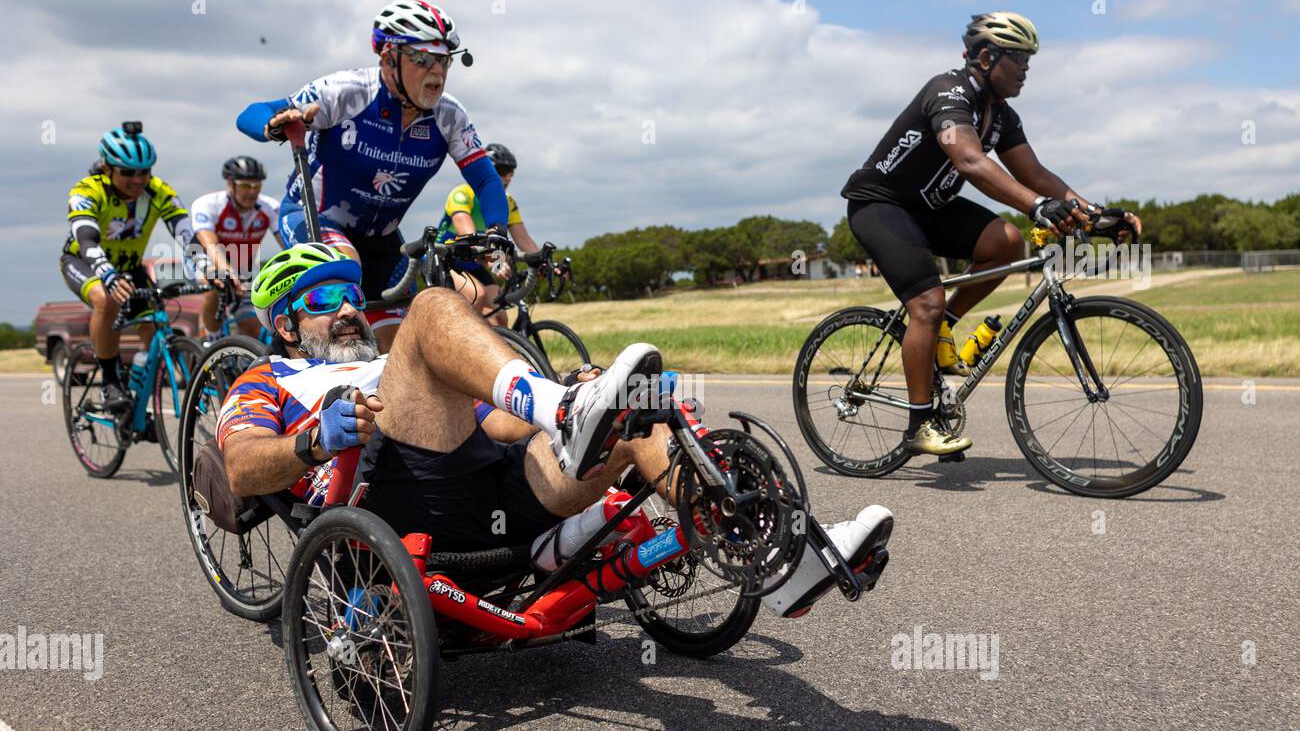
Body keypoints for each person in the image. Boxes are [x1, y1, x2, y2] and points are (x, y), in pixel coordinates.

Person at [218, 245, 891, 585]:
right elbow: (243, 468)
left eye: (352, 295)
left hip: (493, 495)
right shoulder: (266, 379)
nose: (347, 309)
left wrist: (562, 402)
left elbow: (489, 425)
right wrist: (310, 442)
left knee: (640, 417)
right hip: (390, 507)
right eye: (324, 297)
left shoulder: (389, 361)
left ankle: (782, 557)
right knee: (429, 309)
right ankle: (567, 410)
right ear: (283, 324)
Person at [840, 12, 1140, 455]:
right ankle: (919, 424)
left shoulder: (1001, 115)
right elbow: (969, 161)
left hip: (929, 209)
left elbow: (1034, 173)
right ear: (985, 56)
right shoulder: (948, 92)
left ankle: (943, 328)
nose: (1026, 68)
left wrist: (1093, 215)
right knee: (925, 302)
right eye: (1018, 58)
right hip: (880, 206)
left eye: (1028, 59)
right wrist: (1038, 207)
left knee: (1006, 240)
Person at [234, 0, 510, 353]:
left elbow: (486, 180)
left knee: (399, 345)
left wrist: (496, 232)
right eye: (423, 59)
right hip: (315, 218)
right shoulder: (347, 92)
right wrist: (274, 124)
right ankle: (276, 375)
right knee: (346, 280)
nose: (437, 72)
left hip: (381, 237)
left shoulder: (450, 116)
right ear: (388, 58)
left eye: (444, 60)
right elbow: (250, 113)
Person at [62, 122, 201, 412]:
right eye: (128, 172)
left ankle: (140, 405)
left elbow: (185, 232)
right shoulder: (87, 190)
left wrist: (205, 265)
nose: (138, 179)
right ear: (106, 167)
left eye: (144, 171)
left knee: (155, 328)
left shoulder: (158, 191)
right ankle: (110, 381)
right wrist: (106, 272)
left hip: (130, 268)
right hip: (84, 262)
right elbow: (86, 238)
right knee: (106, 299)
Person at [435, 143, 541, 326]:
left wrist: (544, 261)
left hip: (475, 263)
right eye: (502, 171)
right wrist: (497, 261)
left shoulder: (508, 202)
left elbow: (523, 239)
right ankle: (458, 351)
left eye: (511, 173)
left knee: (500, 317)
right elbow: (469, 235)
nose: (507, 177)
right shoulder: (462, 193)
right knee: (478, 296)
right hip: (446, 259)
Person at [191, 156, 280, 340]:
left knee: (254, 326)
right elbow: (210, 245)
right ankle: (212, 341)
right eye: (245, 186)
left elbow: (287, 243)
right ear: (230, 184)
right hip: (206, 258)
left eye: (257, 186)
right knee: (216, 284)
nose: (252, 192)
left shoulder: (269, 207)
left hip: (243, 265)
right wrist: (226, 270)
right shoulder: (208, 204)